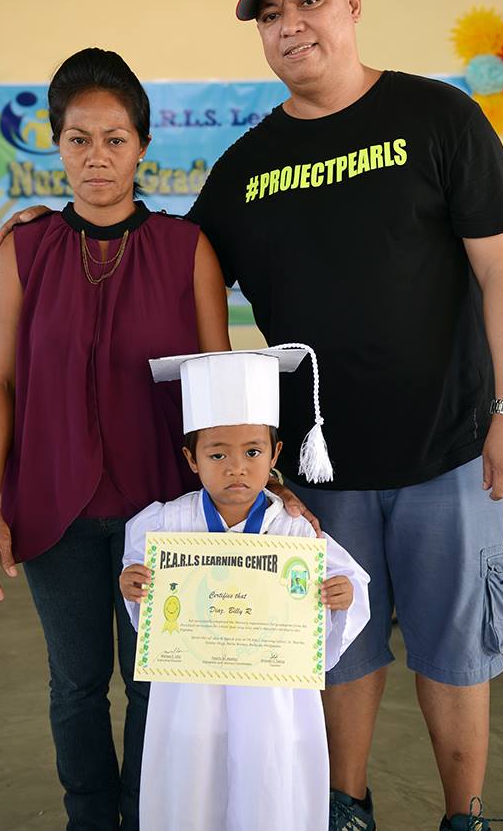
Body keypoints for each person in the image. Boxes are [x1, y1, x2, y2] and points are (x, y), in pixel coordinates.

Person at [0, 0, 503, 830]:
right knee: (336, 649)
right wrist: (43, 228)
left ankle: (464, 815)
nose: (291, 26)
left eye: (308, 3)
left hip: (450, 450)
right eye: (271, 15)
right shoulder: (246, 167)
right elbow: (158, 249)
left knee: (454, 653)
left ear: (350, 1)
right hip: (322, 469)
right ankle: (345, 807)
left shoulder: (439, 115)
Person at [0, 48, 230, 831]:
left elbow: (219, 392)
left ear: (143, 146)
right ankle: (89, 819)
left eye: (115, 139)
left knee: (155, 683)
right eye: (78, 139)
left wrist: (245, 499)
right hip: (55, 511)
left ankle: (149, 814)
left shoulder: (187, 249)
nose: (97, 158)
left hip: (166, 512)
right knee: (77, 685)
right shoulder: (24, 251)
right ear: (57, 145)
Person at [119, 345, 371, 831]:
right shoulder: (167, 524)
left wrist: (341, 596)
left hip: (271, 698)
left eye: (253, 452)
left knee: (266, 787)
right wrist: (134, 585)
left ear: (274, 455)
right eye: (218, 454)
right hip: (191, 694)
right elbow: (141, 586)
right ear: (192, 459)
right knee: (193, 785)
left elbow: (348, 589)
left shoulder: (295, 531)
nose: (236, 467)